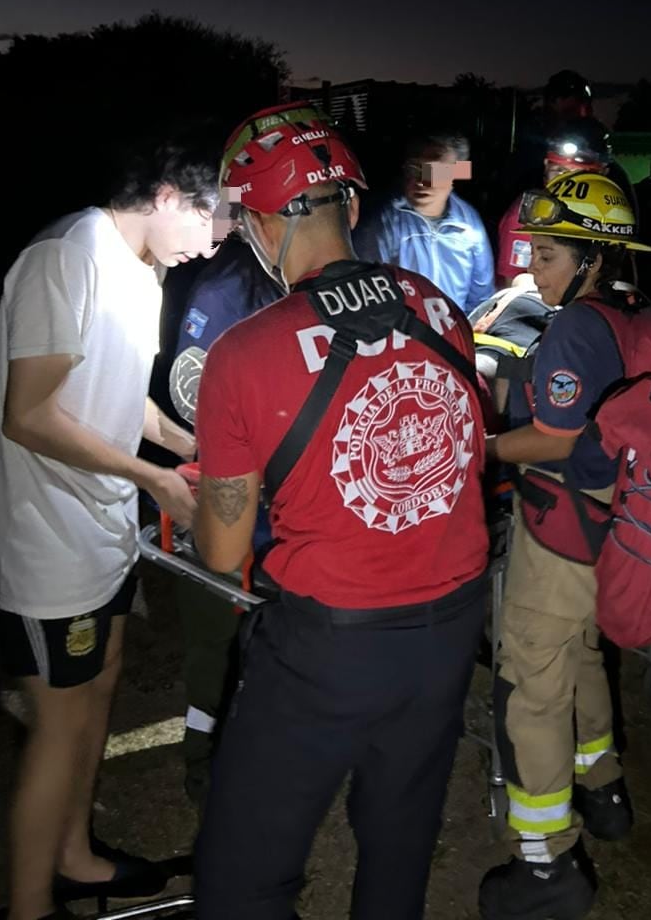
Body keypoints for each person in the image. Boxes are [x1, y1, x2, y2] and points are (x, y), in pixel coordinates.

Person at [191, 106, 489, 920]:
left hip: (329, 648)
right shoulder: (439, 308)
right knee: (398, 847)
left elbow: (221, 552)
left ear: (260, 220)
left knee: (241, 882)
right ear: (351, 208)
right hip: (453, 627)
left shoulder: (242, 354)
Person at [0, 140, 219, 920]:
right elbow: (30, 413)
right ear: (169, 194)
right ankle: (31, 908)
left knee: (99, 688)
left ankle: (74, 856)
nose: (210, 245)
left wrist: (182, 444)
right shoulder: (65, 256)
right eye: (210, 222)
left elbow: (113, 389)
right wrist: (153, 480)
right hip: (44, 541)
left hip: (101, 528)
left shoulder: (145, 273)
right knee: (59, 723)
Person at [478, 171, 651, 920]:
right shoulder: (626, 313)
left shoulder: (575, 328)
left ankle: (547, 862)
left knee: (533, 684)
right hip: (616, 525)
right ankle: (604, 786)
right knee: (581, 654)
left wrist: (482, 446)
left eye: (546, 255)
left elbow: (553, 434)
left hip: (562, 535)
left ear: (590, 258)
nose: (532, 270)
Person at [168, 229, 284, 811]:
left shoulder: (311, 274)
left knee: (276, 637)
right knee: (215, 633)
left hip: (289, 502)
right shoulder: (229, 283)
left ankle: (263, 746)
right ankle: (200, 751)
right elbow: (188, 386)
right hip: (233, 489)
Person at [353, 130, 495, 313]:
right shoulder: (382, 223)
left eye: (435, 171)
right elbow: (365, 295)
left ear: (458, 172)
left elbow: (481, 299)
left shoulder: (469, 225)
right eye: (415, 169)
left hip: (456, 335)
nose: (422, 181)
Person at [495, 123, 622, 287]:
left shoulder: (612, 216)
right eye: (559, 171)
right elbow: (514, 285)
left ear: (603, 174)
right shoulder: (528, 215)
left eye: (579, 175)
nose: (565, 183)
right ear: (546, 167)